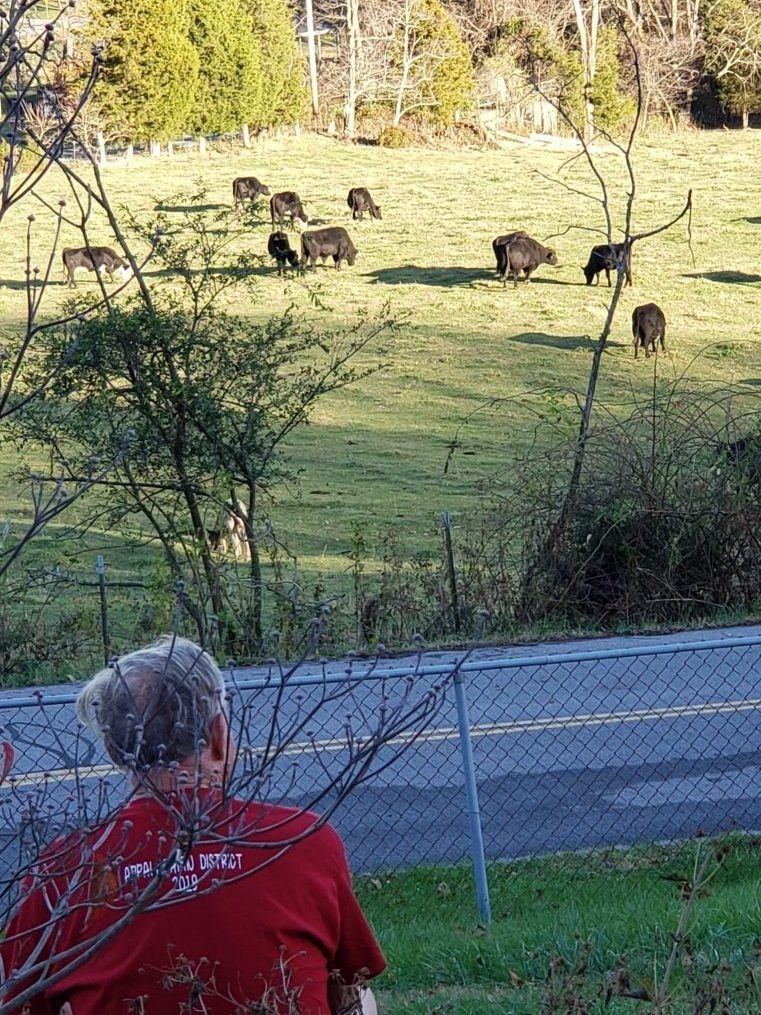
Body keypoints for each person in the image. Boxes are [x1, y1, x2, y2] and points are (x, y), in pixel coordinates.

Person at [0, 636, 385, 1014]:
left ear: (117, 751)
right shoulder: (302, 839)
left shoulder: (64, 871)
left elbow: (20, 1002)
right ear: (218, 734)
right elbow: (348, 983)